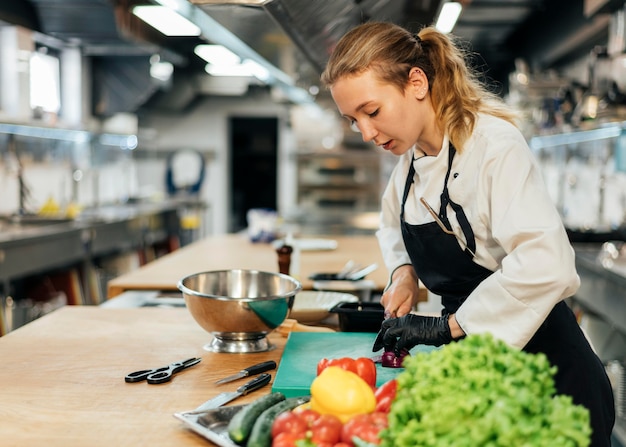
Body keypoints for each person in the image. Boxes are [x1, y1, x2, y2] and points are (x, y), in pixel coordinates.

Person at [321, 21, 615, 446]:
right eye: (353, 120)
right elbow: (392, 223)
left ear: (416, 83)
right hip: (479, 369)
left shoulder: (494, 147)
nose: (366, 133)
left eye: (372, 111)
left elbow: (547, 265)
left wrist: (450, 325)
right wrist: (404, 272)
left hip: (547, 372)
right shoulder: (411, 160)